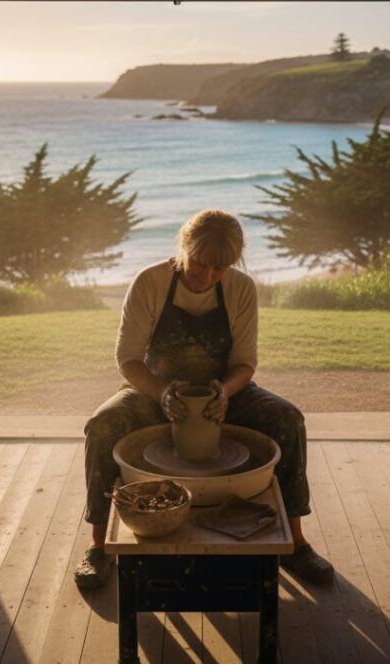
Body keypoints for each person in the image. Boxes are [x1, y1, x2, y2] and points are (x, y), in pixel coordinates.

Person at [74, 209, 334, 589]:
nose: (208, 275)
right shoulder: (150, 282)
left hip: (223, 392)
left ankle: (295, 543)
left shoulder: (240, 288)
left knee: (288, 420)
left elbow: (246, 362)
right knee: (101, 427)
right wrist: (161, 392)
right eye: (200, 263)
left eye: (220, 267)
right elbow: (127, 359)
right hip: (155, 390)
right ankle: (98, 547)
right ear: (184, 246)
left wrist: (225, 391)